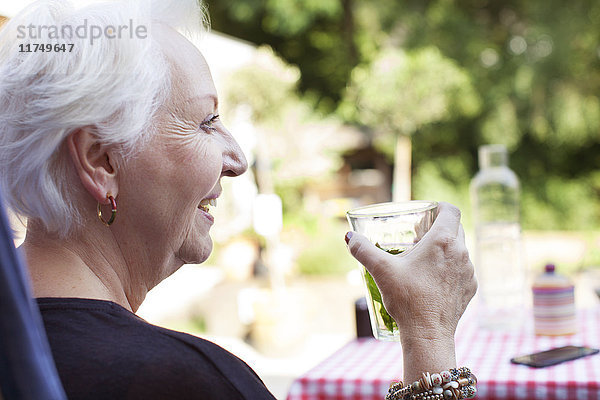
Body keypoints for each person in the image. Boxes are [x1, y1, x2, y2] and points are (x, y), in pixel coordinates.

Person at [0, 0, 476, 399]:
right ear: (101, 160)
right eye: (207, 122)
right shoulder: (178, 382)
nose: (238, 158)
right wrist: (429, 335)